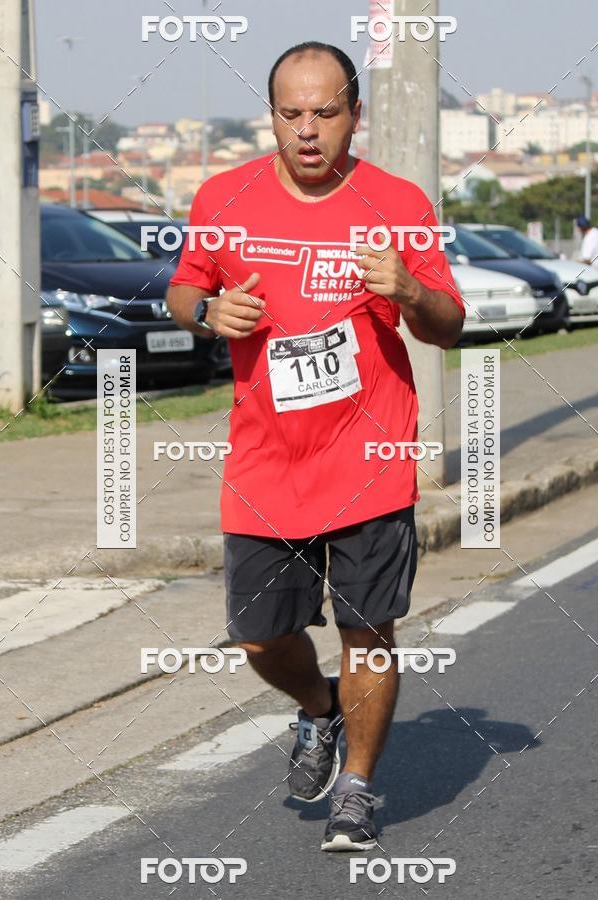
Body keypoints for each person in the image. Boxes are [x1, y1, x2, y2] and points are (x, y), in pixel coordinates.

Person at [167, 41, 464, 852]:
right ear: (271, 116)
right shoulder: (224, 197)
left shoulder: (395, 201)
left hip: (369, 458)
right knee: (260, 634)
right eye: (290, 113)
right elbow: (184, 285)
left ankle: (359, 791)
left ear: (353, 116)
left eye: (325, 113)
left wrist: (409, 290)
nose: (306, 131)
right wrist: (204, 314)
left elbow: (450, 324)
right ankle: (319, 708)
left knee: (368, 630)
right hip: (266, 460)